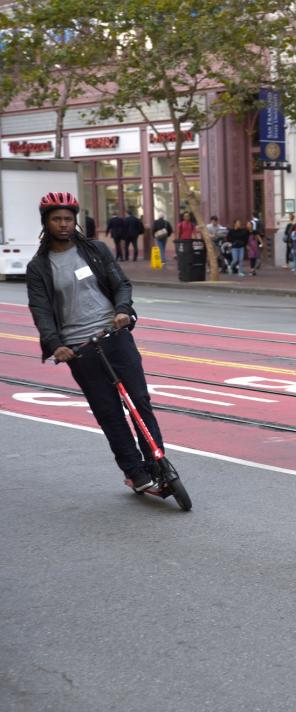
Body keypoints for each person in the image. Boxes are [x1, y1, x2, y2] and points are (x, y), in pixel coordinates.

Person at [26, 191, 164, 492]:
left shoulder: (96, 250)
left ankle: (158, 465)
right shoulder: (38, 267)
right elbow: (41, 311)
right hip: (79, 349)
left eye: (67, 219)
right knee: (108, 412)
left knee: (139, 401)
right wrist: (55, 344)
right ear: (46, 223)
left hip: (114, 336)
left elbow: (121, 285)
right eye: (56, 220)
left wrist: (123, 311)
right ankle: (135, 473)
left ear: (75, 221)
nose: (63, 224)